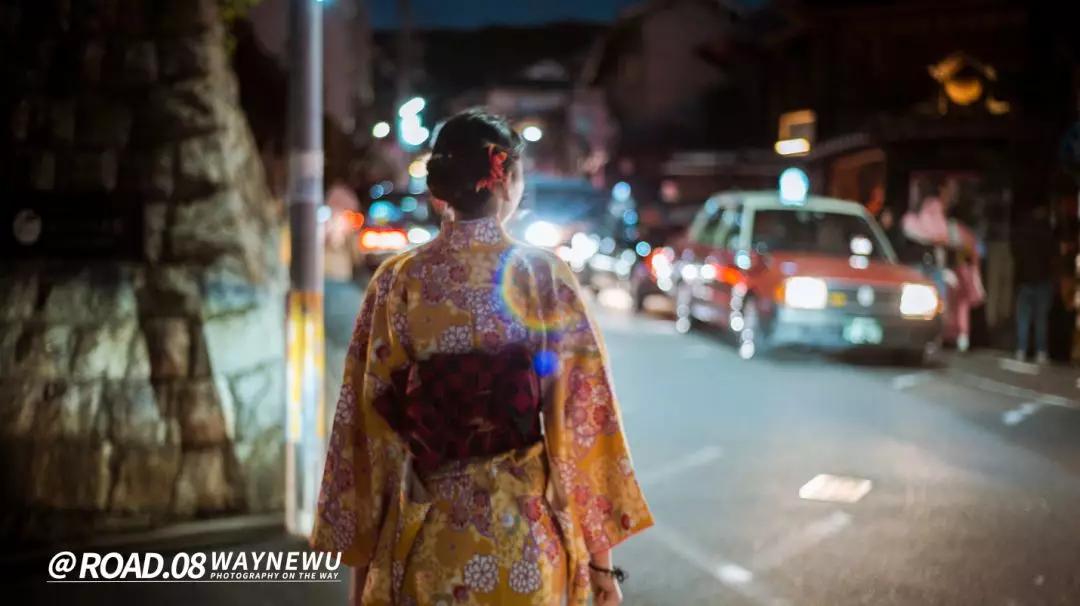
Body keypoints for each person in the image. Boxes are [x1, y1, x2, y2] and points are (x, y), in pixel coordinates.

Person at [311, 110, 653, 606]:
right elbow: (583, 424)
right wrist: (602, 568)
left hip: (430, 543)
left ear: (440, 189)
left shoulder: (397, 282)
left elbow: (365, 431)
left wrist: (362, 580)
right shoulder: (544, 277)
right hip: (527, 544)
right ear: (508, 180)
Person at [902, 177, 984, 352]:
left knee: (941, 303)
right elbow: (938, 235)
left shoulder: (936, 216)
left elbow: (944, 236)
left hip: (939, 267)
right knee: (933, 303)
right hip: (928, 266)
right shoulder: (920, 215)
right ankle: (932, 337)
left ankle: (938, 337)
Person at [1012, 204, 1057, 363]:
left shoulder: (1021, 233)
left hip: (1024, 280)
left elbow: (1016, 254)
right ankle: (1041, 351)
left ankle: (1021, 349)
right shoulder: (1047, 233)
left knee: (1023, 317)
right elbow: (1053, 254)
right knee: (1041, 319)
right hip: (1043, 280)